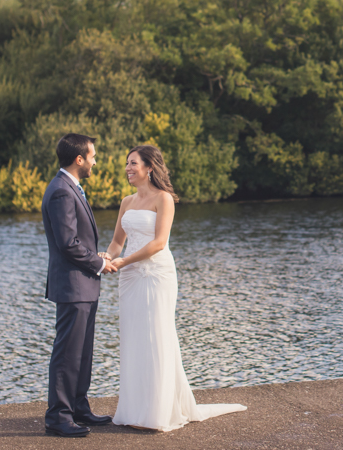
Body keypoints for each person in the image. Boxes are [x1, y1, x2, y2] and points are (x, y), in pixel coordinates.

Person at [103, 145, 246, 431]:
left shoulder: (164, 198)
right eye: (127, 164)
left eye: (133, 163)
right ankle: (135, 409)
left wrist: (124, 261)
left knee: (157, 335)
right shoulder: (126, 201)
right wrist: (107, 258)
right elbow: (117, 241)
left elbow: (158, 243)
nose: (128, 168)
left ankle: (159, 411)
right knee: (134, 338)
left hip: (156, 273)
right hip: (129, 278)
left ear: (149, 168)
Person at [41, 133, 117, 438]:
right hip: (73, 287)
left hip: (83, 284)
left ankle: (79, 407)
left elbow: (78, 242)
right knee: (67, 353)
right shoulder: (61, 190)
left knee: (83, 351)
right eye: (93, 156)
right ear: (79, 159)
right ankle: (58, 416)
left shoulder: (70, 187)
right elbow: (67, 244)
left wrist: (94, 255)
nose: (96, 161)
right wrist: (98, 263)